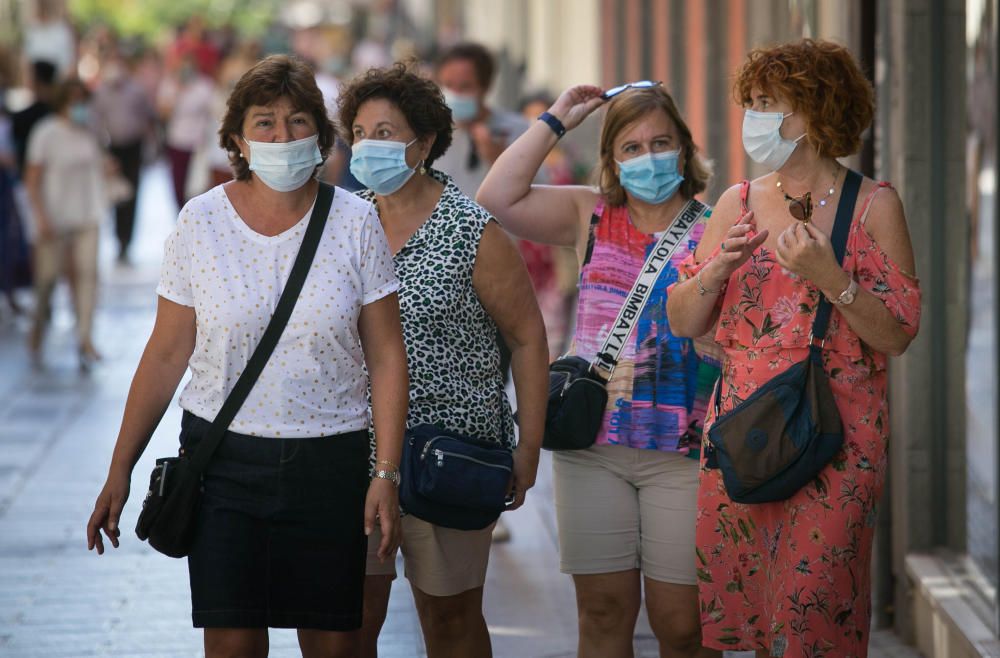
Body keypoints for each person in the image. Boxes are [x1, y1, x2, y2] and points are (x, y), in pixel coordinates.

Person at [86, 54, 408, 658]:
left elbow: (387, 356)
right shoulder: (199, 222)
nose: (282, 137)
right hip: (223, 464)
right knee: (231, 644)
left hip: (330, 461)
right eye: (265, 123)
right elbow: (164, 354)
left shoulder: (356, 221)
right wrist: (119, 468)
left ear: (320, 133)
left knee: (334, 644)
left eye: (297, 122)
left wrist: (385, 474)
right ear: (237, 138)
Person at [665, 39, 921, 658]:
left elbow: (898, 334)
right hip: (746, 435)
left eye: (768, 103)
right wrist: (716, 270)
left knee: (813, 621)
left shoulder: (874, 206)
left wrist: (831, 275)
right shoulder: (736, 202)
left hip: (835, 441)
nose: (754, 117)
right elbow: (682, 318)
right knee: (756, 617)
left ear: (816, 109)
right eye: (750, 102)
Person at [478, 83, 721, 658]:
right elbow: (496, 195)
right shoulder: (589, 213)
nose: (648, 156)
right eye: (631, 147)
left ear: (684, 150)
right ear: (611, 159)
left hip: (685, 450)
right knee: (604, 614)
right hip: (593, 446)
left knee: (684, 624)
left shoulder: (717, 223)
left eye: (661, 142)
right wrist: (558, 119)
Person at [336, 63, 548, 658]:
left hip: (450, 451)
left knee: (451, 622)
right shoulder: (340, 224)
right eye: (359, 131)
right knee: (349, 624)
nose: (368, 144)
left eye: (385, 131)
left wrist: (527, 449)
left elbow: (529, 339)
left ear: (424, 143)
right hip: (354, 449)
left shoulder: (472, 231)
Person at [23, 78, 106, 369]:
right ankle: (38, 327)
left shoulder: (88, 131)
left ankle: (85, 338)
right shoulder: (46, 133)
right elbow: (32, 178)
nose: (79, 106)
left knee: (87, 277)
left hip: (87, 215)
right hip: (54, 217)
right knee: (47, 280)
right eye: (73, 100)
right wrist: (40, 216)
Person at [433, 42, 529, 199]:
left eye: (465, 86)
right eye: (448, 85)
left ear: (486, 86)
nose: (455, 94)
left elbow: (539, 188)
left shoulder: (518, 129)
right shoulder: (430, 133)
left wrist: (500, 159)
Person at [92, 52, 156, 262]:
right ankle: (117, 237)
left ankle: (127, 240)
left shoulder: (136, 90)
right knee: (116, 196)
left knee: (132, 194)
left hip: (133, 148)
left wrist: (151, 146)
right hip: (113, 149)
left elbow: (147, 118)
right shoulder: (101, 92)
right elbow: (96, 122)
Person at [157, 52, 215, 210]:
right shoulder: (170, 84)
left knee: (198, 185)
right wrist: (178, 91)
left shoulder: (205, 85)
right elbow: (163, 114)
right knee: (178, 185)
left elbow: (213, 112)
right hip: (177, 141)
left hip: (199, 143)